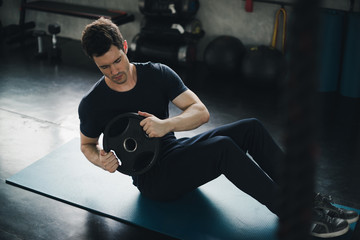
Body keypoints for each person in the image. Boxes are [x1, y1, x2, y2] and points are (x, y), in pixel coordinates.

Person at [78, 17, 358, 238]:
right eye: (105, 67)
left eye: (117, 60)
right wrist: (101, 160)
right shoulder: (94, 103)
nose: (115, 71)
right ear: (95, 63)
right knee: (223, 148)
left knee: (251, 127)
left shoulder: (157, 73)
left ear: (125, 47)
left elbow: (201, 112)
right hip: (154, 180)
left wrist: (166, 125)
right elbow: (86, 145)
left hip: (176, 151)